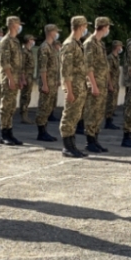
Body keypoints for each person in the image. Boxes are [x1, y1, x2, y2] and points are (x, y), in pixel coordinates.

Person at [59, 16, 90, 157]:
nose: (85, 29)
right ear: (80, 26)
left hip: (80, 86)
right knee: (69, 116)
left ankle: (72, 145)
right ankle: (67, 147)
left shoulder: (78, 44)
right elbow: (66, 71)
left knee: (75, 116)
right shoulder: (69, 45)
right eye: (85, 26)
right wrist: (68, 91)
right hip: (74, 88)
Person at [82, 16, 111, 152]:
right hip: (94, 84)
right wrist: (93, 85)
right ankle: (90, 141)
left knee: (99, 113)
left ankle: (96, 139)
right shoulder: (89, 43)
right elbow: (88, 67)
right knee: (91, 112)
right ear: (103, 27)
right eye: (108, 27)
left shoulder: (100, 44)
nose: (108, 29)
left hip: (102, 84)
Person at [0, 15, 25, 145]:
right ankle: (4, 134)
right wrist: (10, 79)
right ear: (13, 25)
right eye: (19, 24)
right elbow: (5, 63)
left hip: (15, 78)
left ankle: (10, 132)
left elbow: (19, 63)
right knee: (6, 106)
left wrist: (20, 78)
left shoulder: (16, 41)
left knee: (12, 106)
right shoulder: (6, 41)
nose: (20, 26)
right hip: (8, 79)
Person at [36, 24, 61, 142]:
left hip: (52, 83)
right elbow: (43, 68)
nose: (57, 33)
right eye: (56, 31)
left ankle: (45, 130)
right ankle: (41, 132)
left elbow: (54, 67)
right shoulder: (44, 47)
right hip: (47, 83)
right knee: (43, 107)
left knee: (48, 107)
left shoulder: (51, 47)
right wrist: (45, 84)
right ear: (51, 32)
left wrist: (56, 81)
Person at [105, 39, 122, 131]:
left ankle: (110, 120)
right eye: (120, 46)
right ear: (116, 47)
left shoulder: (116, 57)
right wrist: (110, 84)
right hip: (111, 83)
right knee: (110, 103)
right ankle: (108, 122)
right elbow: (108, 73)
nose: (121, 48)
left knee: (114, 103)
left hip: (116, 83)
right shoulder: (110, 58)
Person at [19, 34, 36, 123]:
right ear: (28, 40)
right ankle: (23, 116)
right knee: (25, 97)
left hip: (30, 76)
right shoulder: (24, 52)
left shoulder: (29, 51)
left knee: (27, 96)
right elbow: (22, 66)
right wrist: (23, 79)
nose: (33, 41)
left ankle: (25, 115)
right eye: (32, 39)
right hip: (26, 77)